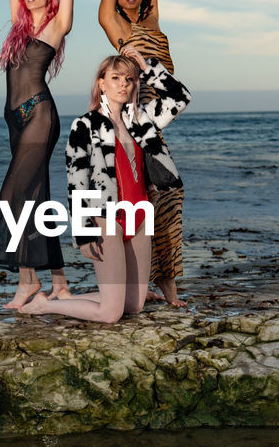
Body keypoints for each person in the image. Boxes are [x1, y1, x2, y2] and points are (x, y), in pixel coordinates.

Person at [21, 48, 189, 324]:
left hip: (140, 216)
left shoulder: (140, 121)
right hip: (107, 220)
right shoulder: (84, 126)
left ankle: (63, 298)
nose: (123, 84)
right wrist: (84, 233)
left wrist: (146, 66)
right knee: (111, 315)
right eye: (115, 78)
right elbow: (77, 183)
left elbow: (180, 97)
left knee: (133, 307)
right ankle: (44, 306)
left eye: (129, 79)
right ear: (101, 83)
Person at [0, 0, 89, 309]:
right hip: (14, 118)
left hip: (39, 115)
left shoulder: (58, 26)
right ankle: (60, 282)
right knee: (34, 199)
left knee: (13, 195)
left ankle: (27, 283)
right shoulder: (19, 24)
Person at [97, 0, 186, 306]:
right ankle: (143, 283)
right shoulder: (114, 23)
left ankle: (163, 282)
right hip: (133, 120)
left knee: (167, 194)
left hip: (156, 119)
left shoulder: (151, 20)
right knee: (140, 197)